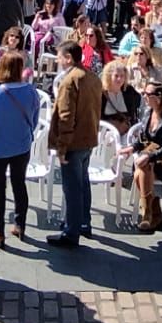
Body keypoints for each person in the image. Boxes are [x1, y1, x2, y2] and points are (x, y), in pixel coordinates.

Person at [0, 51, 41, 246]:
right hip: (22, 146)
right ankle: (20, 225)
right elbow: (34, 121)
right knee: (20, 184)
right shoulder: (31, 91)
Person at [47, 41, 103, 249]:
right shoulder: (91, 76)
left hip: (74, 142)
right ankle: (82, 223)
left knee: (72, 188)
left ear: (68, 58)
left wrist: (62, 147)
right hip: (88, 139)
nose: (58, 60)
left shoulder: (70, 80)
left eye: (60, 57)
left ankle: (71, 232)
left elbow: (66, 116)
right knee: (83, 184)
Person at [122, 81, 162, 232]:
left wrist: (149, 157)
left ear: (159, 97)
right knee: (142, 168)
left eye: (147, 94)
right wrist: (131, 148)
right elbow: (142, 139)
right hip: (149, 156)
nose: (144, 96)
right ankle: (152, 212)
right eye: (144, 93)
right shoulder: (148, 113)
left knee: (142, 169)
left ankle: (148, 214)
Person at [99, 60, 142, 137]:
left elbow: (136, 111)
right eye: (116, 76)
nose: (119, 79)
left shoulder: (129, 91)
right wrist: (114, 125)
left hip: (127, 133)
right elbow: (96, 117)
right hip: (106, 134)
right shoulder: (100, 93)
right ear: (109, 76)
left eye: (122, 76)